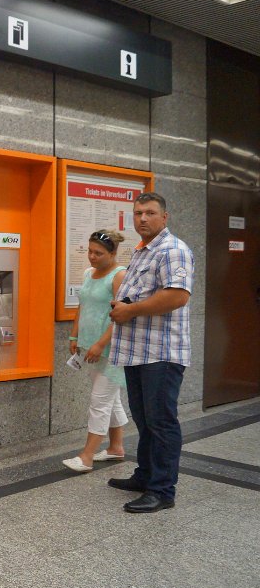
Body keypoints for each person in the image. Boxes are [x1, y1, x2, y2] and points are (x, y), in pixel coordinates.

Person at [108, 192, 194, 513]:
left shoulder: (173, 250)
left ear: (164, 217)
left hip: (161, 353)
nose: (142, 218)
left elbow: (177, 296)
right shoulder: (142, 251)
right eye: (138, 213)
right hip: (137, 352)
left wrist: (130, 310)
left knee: (161, 422)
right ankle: (145, 476)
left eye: (150, 213)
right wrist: (123, 305)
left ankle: (162, 490)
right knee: (144, 420)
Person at [62, 229, 128, 473]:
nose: (92, 257)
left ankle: (87, 456)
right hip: (89, 346)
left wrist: (101, 344)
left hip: (111, 349)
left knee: (100, 401)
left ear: (113, 253)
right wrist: (74, 335)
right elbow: (83, 305)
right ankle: (116, 447)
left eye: (98, 253)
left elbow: (121, 316)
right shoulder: (88, 273)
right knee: (111, 398)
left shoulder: (119, 276)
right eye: (90, 251)